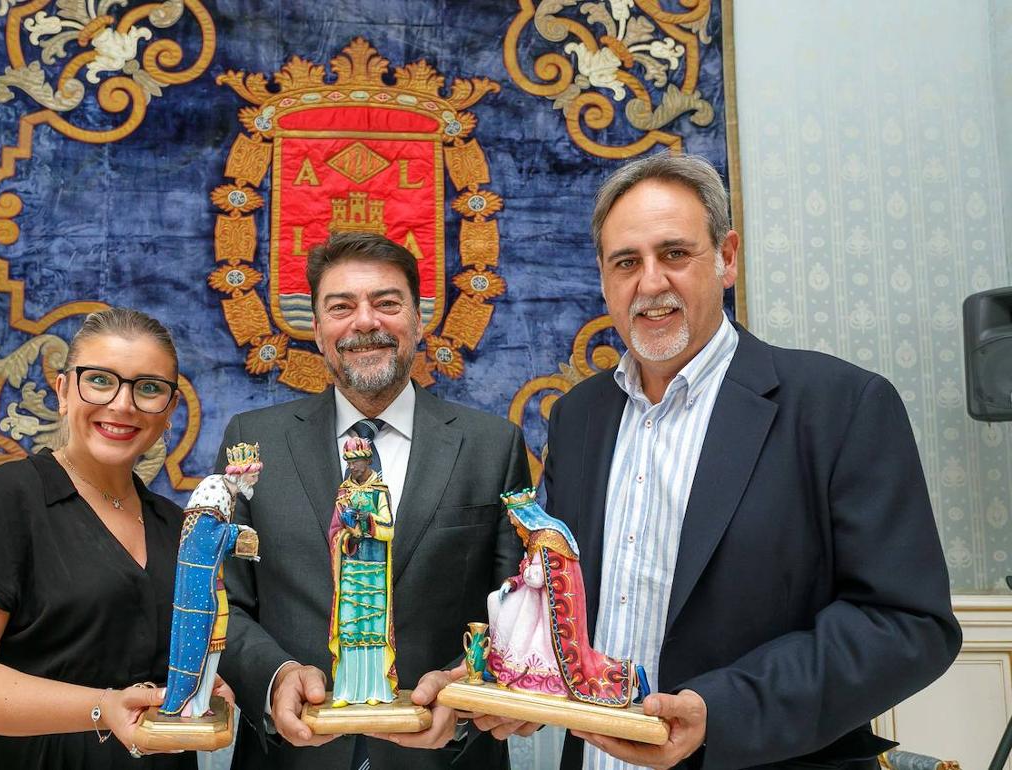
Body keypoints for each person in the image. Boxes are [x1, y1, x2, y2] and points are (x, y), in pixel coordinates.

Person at [542, 153, 961, 770]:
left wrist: (722, 712)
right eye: (626, 262)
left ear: (727, 258)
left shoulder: (840, 406)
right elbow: (562, 601)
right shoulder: (579, 417)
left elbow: (907, 624)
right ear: (604, 279)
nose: (650, 283)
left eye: (675, 254)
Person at [215, 231, 533, 770]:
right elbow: (228, 602)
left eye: (387, 303)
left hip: (446, 755)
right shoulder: (252, 441)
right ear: (316, 330)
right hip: (290, 756)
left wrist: (463, 689)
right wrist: (274, 679)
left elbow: (516, 606)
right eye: (341, 307)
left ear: (418, 320)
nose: (365, 322)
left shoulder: (492, 446)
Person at [0, 307, 225, 769]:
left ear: (169, 411)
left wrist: (203, 686)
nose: (122, 404)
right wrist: (100, 708)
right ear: (63, 391)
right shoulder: (9, 498)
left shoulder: (180, 527)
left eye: (149, 389)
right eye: (100, 380)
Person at [485, 488, 635, 707]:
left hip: (546, 610)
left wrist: (526, 571)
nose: (515, 527)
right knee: (495, 601)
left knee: (518, 623)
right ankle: (502, 664)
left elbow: (539, 577)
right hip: (532, 599)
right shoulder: (535, 537)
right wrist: (514, 581)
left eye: (515, 522)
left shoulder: (548, 538)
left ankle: (524, 672)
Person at [160, 443, 261, 718]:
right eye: (253, 476)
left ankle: (201, 703)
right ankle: (189, 703)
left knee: (214, 641)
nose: (255, 481)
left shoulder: (229, 493)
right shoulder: (215, 489)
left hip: (210, 580)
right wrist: (237, 533)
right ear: (242, 473)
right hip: (198, 584)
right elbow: (204, 537)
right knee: (200, 643)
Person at [328, 437, 397, 707]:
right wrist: (347, 533)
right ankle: (346, 689)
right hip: (350, 567)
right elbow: (334, 531)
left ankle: (376, 688)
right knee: (349, 627)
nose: (352, 466)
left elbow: (388, 528)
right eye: (348, 461)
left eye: (356, 461)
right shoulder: (343, 492)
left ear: (368, 460)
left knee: (373, 627)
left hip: (375, 568)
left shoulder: (379, 491)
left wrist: (365, 521)